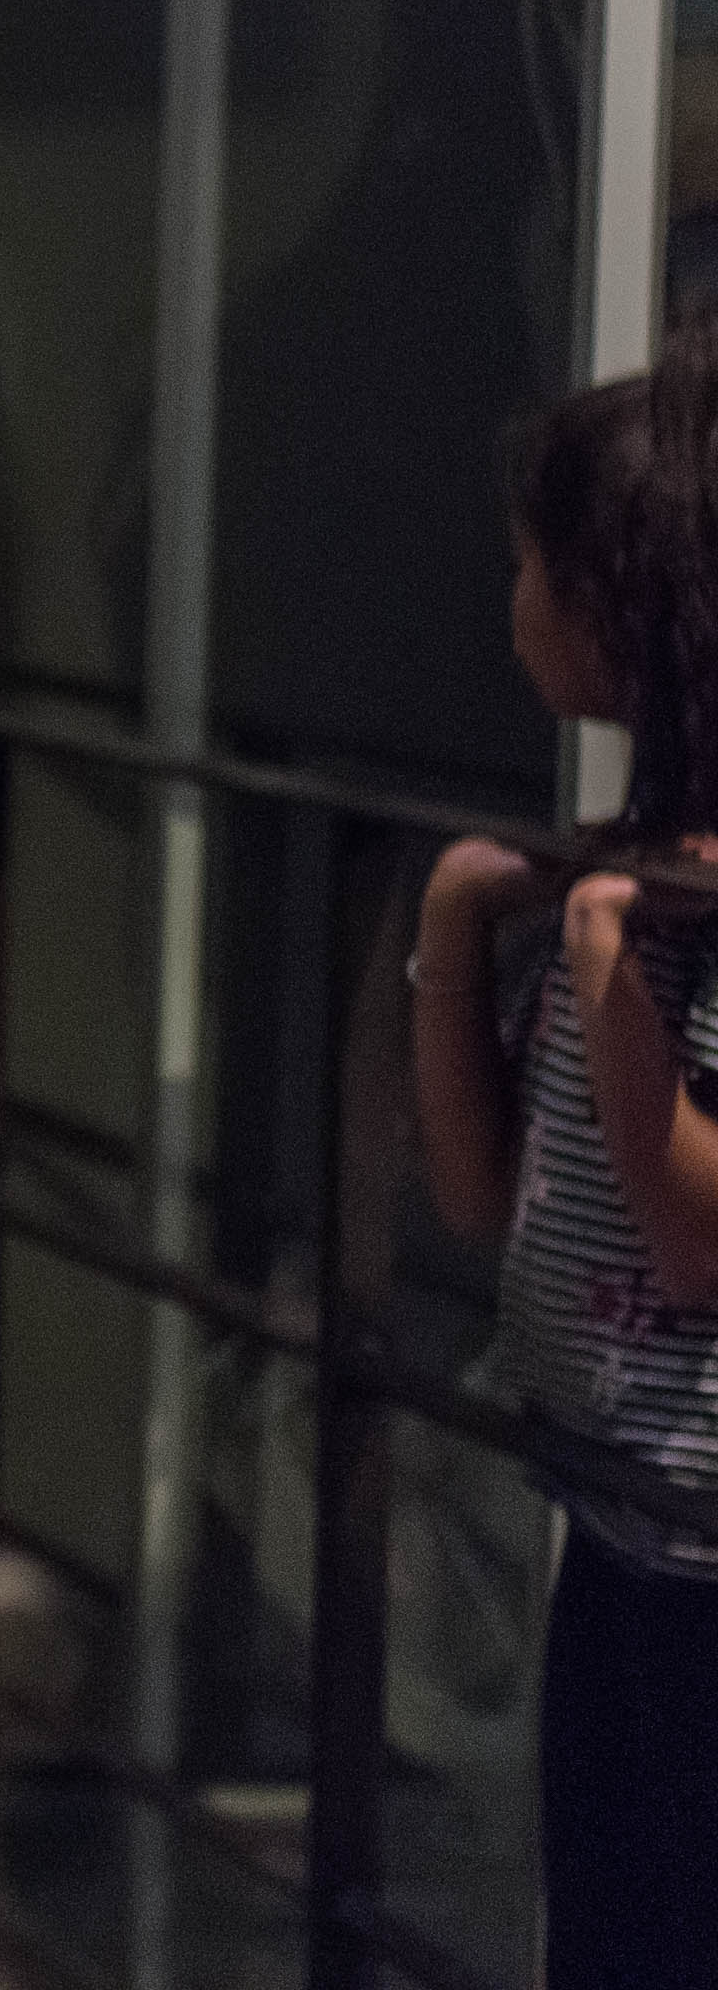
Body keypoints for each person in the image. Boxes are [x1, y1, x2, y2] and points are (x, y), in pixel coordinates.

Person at [416, 319, 718, 1989]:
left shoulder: (670, 906)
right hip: (619, 1519)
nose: (517, 599)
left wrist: (605, 967)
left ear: (626, 600)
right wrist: (462, 918)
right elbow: (481, 1192)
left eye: (539, 562)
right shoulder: (628, 865)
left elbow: (701, 1245)